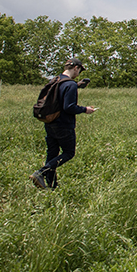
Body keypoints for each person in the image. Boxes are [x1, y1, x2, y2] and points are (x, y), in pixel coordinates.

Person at [29, 57, 97, 189]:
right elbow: (69, 107)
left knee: (52, 154)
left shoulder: (56, 80)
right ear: (76, 68)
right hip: (64, 125)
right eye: (80, 70)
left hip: (50, 122)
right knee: (69, 153)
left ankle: (51, 186)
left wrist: (77, 85)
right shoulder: (70, 84)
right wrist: (85, 110)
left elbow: (59, 94)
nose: (79, 74)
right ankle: (40, 173)